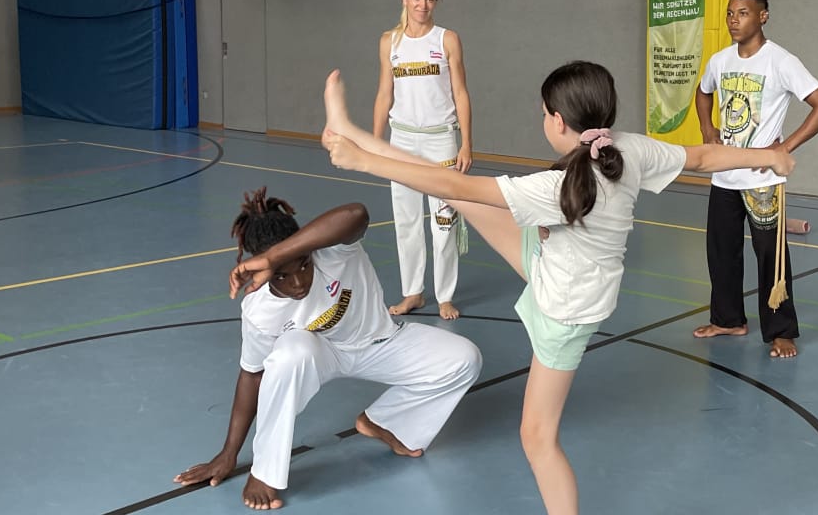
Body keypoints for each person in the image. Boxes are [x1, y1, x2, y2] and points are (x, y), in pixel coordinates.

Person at [320, 62, 793, 515]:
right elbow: (704, 155)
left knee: (537, 438)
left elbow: (450, 180)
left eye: (544, 111)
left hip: (566, 310)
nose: (542, 117)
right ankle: (351, 128)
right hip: (552, 260)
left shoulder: (555, 186)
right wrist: (767, 157)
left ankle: (356, 142)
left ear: (560, 121)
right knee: (451, 190)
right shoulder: (627, 149)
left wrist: (362, 164)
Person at [173, 188, 482, 509]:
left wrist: (274, 259)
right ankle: (265, 471)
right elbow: (252, 376)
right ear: (261, 275)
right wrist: (228, 454)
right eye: (281, 276)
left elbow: (356, 214)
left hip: (382, 342)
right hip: (321, 355)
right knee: (291, 352)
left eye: (303, 266)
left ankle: (386, 422)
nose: (297, 283)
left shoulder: (335, 251)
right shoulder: (259, 309)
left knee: (464, 359)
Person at [690, 0, 818, 359]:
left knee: (771, 255)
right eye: (730, 13)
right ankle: (728, 319)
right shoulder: (720, 61)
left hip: (763, 180)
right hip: (724, 174)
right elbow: (703, 92)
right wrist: (708, 130)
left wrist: (784, 147)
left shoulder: (781, 61)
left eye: (743, 13)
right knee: (721, 251)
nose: (734, 20)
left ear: (762, 16)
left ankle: (781, 330)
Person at [373, 0, 473, 320]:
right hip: (401, 142)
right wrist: (375, 144)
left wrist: (466, 143)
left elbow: (460, 93)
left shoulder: (447, 39)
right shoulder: (390, 42)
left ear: (436, 2)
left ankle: (445, 294)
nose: (423, 5)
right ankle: (412, 292)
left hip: (440, 142)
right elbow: (385, 92)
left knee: (444, 221)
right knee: (407, 221)